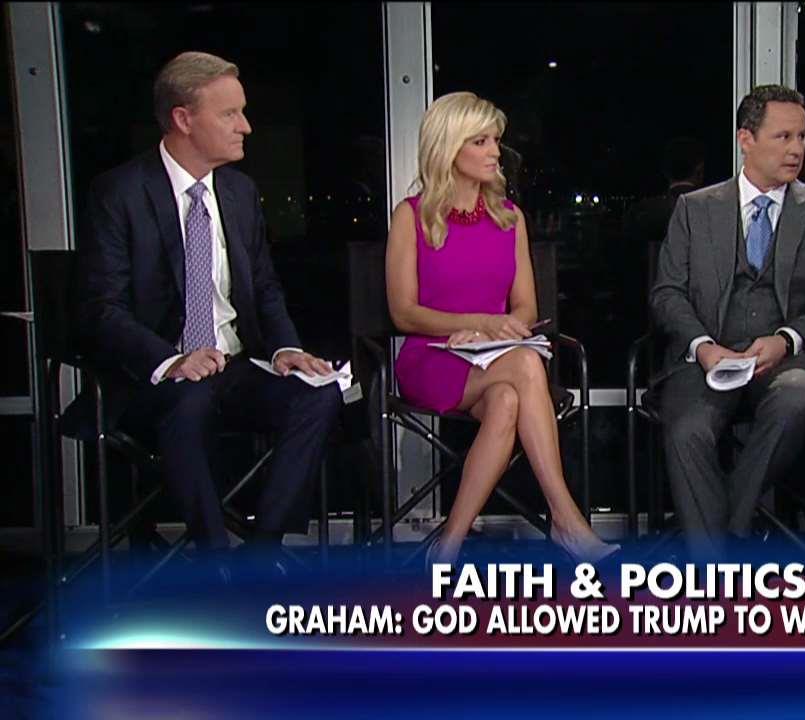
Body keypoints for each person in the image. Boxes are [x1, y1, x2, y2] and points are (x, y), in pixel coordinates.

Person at [76, 51, 341, 577]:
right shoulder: (119, 193)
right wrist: (171, 360)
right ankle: (213, 560)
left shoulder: (240, 192)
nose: (246, 126)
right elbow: (101, 309)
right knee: (190, 400)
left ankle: (261, 553)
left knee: (319, 395)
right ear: (183, 118)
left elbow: (264, 287)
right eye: (230, 114)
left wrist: (286, 348)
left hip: (233, 367)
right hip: (154, 377)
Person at [385, 91, 618, 566]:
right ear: (449, 148)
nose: (496, 151)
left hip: (493, 358)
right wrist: (479, 324)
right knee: (527, 366)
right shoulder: (411, 216)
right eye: (481, 141)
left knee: (508, 399)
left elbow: (526, 306)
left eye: (495, 140)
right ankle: (566, 520)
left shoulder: (510, 218)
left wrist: (497, 332)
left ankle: (447, 546)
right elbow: (403, 313)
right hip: (432, 358)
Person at [649, 85, 805, 560]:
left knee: (796, 403)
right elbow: (667, 293)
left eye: (802, 137)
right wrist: (703, 346)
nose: (796, 149)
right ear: (745, 139)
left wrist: (788, 339)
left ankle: (723, 539)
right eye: (783, 136)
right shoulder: (695, 209)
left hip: (788, 362)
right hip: (707, 361)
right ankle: (720, 569)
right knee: (687, 432)